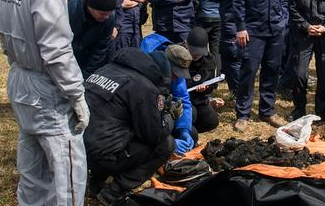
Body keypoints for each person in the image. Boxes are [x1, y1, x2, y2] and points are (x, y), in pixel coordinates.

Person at [0, 0, 88, 205]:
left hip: (21, 79)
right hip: (47, 88)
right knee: (67, 171)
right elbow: (57, 49)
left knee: (32, 166)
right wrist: (76, 94)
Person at [83, 47, 179, 206]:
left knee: (115, 128)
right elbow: (154, 134)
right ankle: (112, 193)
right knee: (166, 145)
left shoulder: (107, 69)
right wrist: (170, 117)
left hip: (78, 148)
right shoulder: (145, 87)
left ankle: (95, 182)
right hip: (104, 154)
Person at [231, 0, 290, 131]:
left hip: (275, 31)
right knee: (248, 71)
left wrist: (283, 20)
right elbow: (238, 0)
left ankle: (267, 110)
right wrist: (240, 27)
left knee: (272, 71)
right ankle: (243, 114)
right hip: (252, 31)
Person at [140, 34, 198, 156]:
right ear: (165, 64)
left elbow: (183, 100)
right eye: (175, 73)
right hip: (142, 119)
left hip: (160, 114)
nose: (176, 77)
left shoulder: (176, 62)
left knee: (192, 132)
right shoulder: (144, 68)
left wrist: (184, 130)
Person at [208, 0, 245, 93]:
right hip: (244, 24)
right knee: (241, 58)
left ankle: (236, 91)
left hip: (230, 23)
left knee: (231, 60)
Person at [69, 0, 119, 79]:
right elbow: (59, 44)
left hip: (86, 58)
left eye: (109, 13)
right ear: (90, 7)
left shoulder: (109, 17)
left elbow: (99, 51)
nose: (106, 17)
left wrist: (85, 76)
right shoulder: (71, 9)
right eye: (102, 13)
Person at [184, 26, 223, 132]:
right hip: (181, 97)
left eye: (199, 53)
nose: (196, 55)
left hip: (198, 98)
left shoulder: (208, 60)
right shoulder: (177, 54)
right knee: (192, 113)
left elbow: (211, 84)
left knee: (211, 121)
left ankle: (192, 129)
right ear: (186, 44)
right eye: (193, 52)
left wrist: (205, 89)